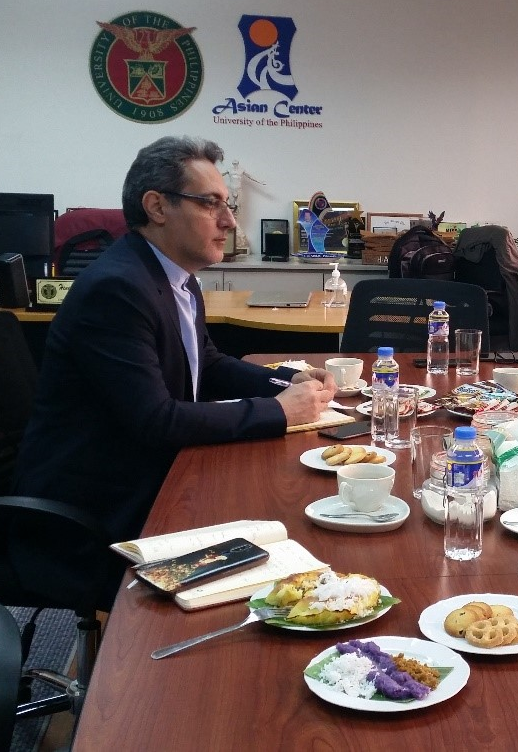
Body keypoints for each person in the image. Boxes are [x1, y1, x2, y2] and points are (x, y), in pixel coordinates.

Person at [12, 136, 335, 604]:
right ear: (157, 206)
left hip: (146, 473)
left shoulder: (175, 277)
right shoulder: (118, 289)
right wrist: (279, 411)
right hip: (98, 509)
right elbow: (156, 420)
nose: (228, 222)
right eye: (211, 204)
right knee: (281, 535)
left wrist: (287, 381)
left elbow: (208, 362)